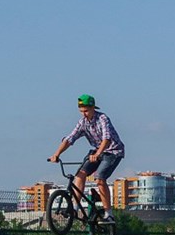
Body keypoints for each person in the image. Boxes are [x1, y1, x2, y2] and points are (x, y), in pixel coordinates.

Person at [47, 94, 124, 223]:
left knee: (100, 179)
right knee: (79, 175)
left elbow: (107, 139)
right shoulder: (82, 123)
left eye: (86, 111)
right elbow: (70, 139)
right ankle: (75, 208)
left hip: (113, 151)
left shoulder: (103, 119)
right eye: (81, 111)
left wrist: (98, 154)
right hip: (96, 152)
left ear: (93, 108)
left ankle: (109, 214)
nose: (84, 114)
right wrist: (56, 154)